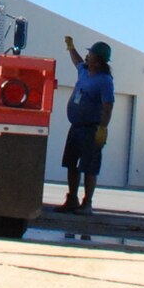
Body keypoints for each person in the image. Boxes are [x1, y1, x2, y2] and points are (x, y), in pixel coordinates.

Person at [58, 36, 115, 213]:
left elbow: (108, 106)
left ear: (98, 61)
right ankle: (72, 199)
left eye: (90, 54)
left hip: (91, 129)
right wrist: (70, 47)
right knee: (71, 164)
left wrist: (102, 128)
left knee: (89, 167)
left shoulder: (104, 81)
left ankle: (87, 203)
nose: (87, 56)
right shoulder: (84, 71)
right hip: (76, 127)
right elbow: (77, 61)